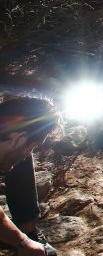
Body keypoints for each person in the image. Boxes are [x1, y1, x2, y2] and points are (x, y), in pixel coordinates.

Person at [0, 97, 61, 255]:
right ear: (18, 139)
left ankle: (28, 226)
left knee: (19, 156)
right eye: (32, 147)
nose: (29, 153)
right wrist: (23, 243)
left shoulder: (9, 137)